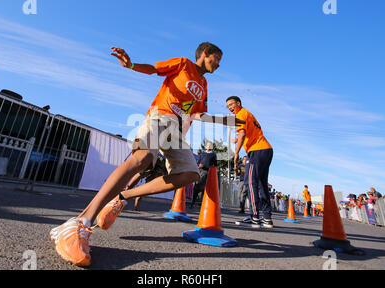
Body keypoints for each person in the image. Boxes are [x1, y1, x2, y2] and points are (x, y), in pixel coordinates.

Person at [50, 42, 244, 267]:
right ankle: (79, 223)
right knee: (143, 159)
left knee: (190, 174)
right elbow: (154, 68)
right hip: (159, 117)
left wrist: (225, 121)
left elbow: (199, 114)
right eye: (217, 59)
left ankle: (122, 197)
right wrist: (131, 65)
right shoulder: (183, 64)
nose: (218, 65)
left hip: (177, 132)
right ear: (205, 54)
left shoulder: (203, 83)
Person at [227, 96, 274, 229]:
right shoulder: (248, 114)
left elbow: (242, 133)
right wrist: (240, 140)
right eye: (228, 106)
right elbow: (250, 133)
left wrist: (236, 152)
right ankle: (267, 218)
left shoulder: (241, 114)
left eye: (232, 104)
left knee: (250, 182)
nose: (230, 108)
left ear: (238, 103)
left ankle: (254, 217)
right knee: (261, 183)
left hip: (257, 151)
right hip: (266, 150)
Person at [190, 141, 217, 208]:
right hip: (200, 171)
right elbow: (198, 162)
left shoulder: (213, 155)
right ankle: (193, 202)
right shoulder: (202, 153)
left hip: (206, 172)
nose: (208, 146)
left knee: (201, 187)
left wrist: (207, 167)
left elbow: (215, 165)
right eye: (207, 145)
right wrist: (199, 165)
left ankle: (200, 203)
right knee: (196, 186)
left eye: (210, 145)